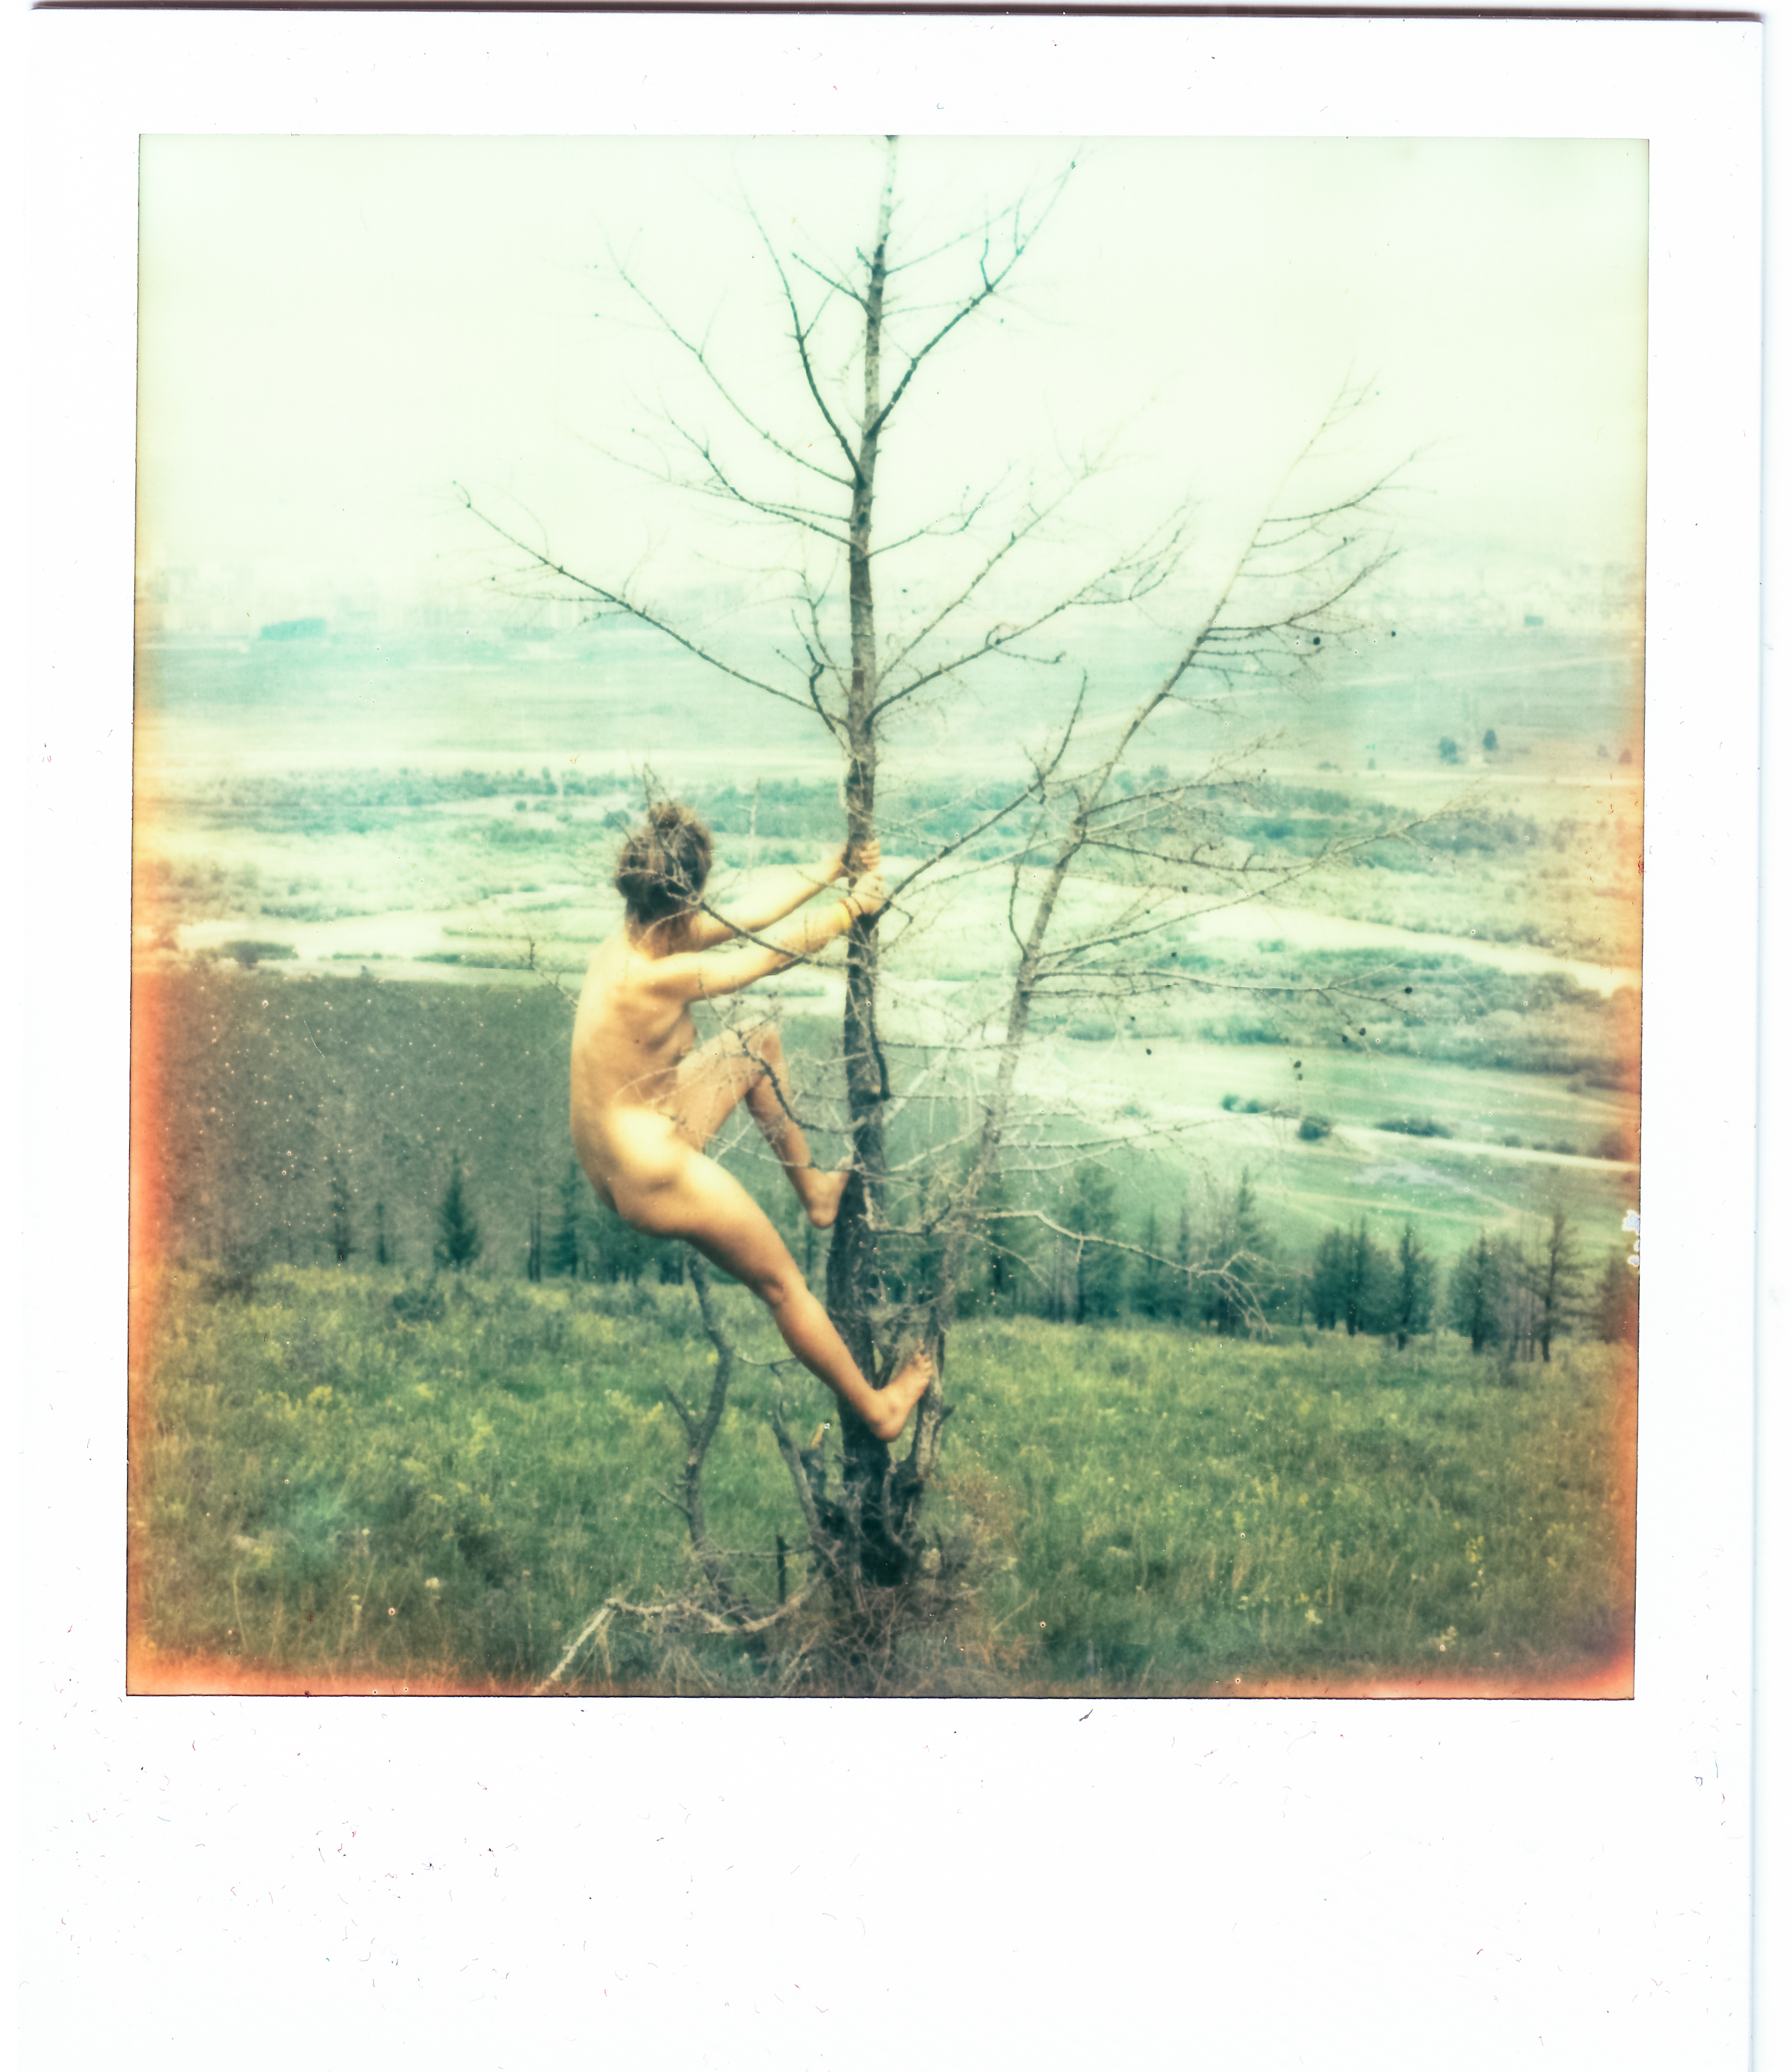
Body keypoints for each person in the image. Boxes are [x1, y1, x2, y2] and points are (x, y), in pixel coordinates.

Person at [570, 801, 935, 1442]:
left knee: (757, 1042)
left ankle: (816, 1194)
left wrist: (832, 867)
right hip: (650, 1172)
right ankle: (879, 1411)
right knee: (783, 1285)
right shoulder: (654, 976)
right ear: (684, 897)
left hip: (625, 1149)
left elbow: (750, 917)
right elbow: (766, 957)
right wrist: (850, 909)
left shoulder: (639, 938)